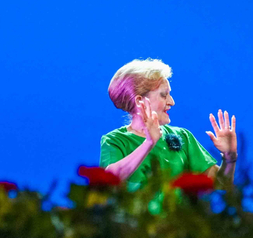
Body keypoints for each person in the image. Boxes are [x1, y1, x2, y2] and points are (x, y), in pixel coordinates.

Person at [99, 59, 237, 190]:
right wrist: (149, 143)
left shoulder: (183, 136)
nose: (172, 102)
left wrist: (230, 157)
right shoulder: (115, 141)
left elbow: (221, 184)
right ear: (139, 100)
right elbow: (109, 181)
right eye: (164, 95)